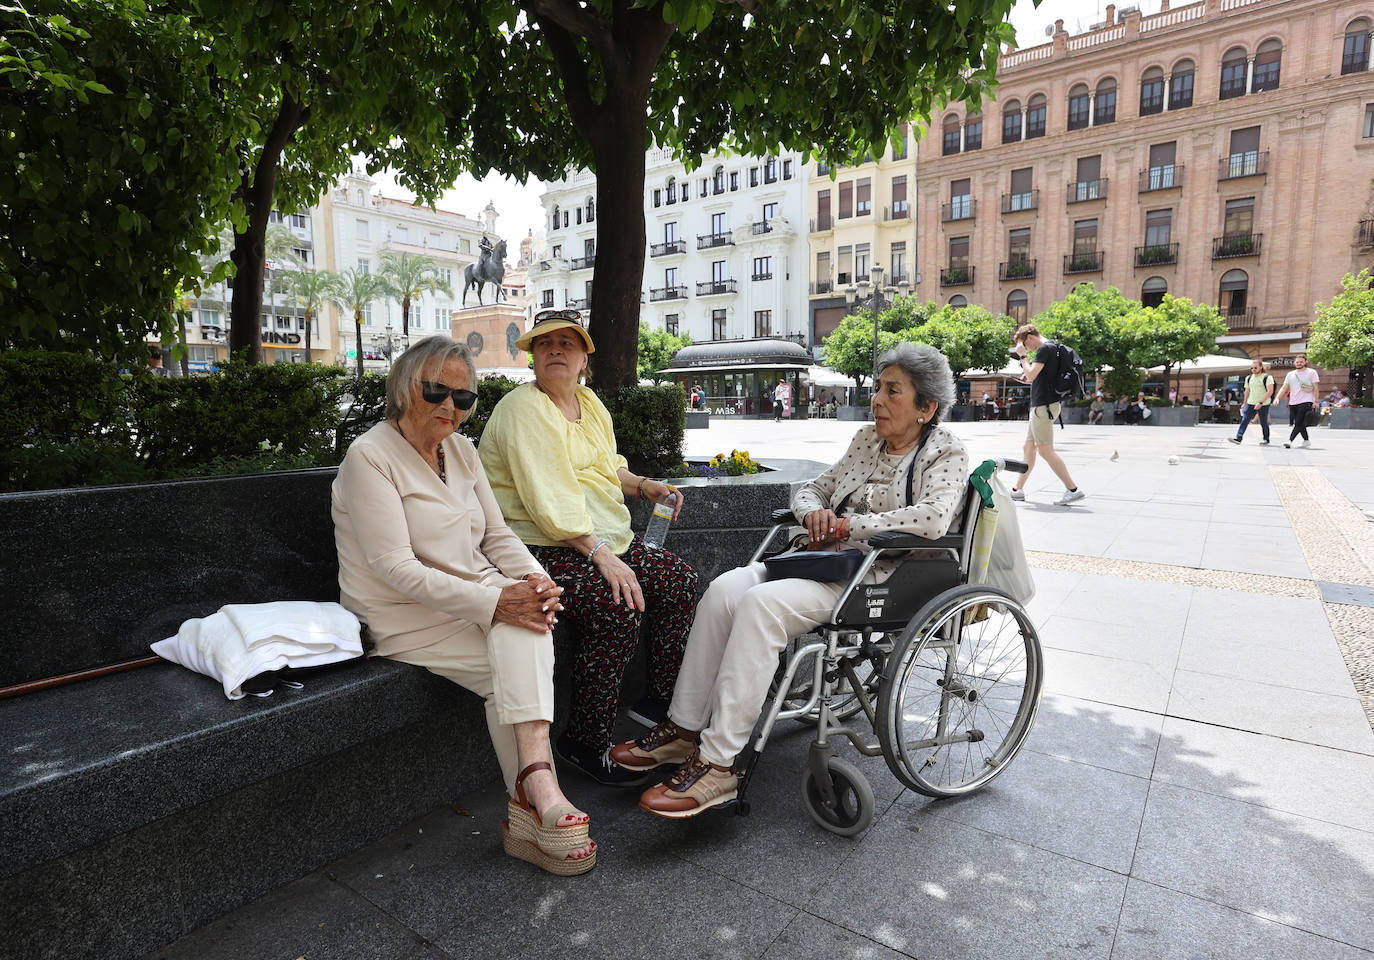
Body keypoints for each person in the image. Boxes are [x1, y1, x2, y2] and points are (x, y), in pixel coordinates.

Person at [609, 343, 969, 817]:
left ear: (927, 408)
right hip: (816, 559)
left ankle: (718, 766)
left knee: (761, 607)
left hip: (874, 578)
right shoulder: (867, 440)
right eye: (879, 387)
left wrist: (847, 527)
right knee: (721, 592)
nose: (877, 399)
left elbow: (932, 520)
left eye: (892, 391)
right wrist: (815, 512)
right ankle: (683, 731)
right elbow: (812, 487)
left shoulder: (945, 452)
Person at [332, 335, 595, 876]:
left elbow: (497, 536)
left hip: (472, 599)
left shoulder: (463, 451)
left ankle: (533, 797)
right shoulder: (370, 456)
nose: (450, 406)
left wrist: (538, 582)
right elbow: (394, 568)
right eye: (437, 391)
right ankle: (538, 793)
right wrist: (499, 601)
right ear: (406, 390)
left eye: (464, 398)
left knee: (526, 635)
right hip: (403, 617)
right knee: (520, 646)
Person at [479, 309, 700, 786]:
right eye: (544, 343)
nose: (555, 350)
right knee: (616, 604)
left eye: (567, 342)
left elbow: (607, 467)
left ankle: (659, 704)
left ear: (583, 359)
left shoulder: (589, 403)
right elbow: (548, 502)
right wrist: (605, 558)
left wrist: (644, 486)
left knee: (679, 581)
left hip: (604, 537)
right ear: (533, 356)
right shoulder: (523, 409)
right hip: (541, 546)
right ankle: (584, 740)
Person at [1008, 324, 1084, 505]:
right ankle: (1017, 490)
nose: (1027, 349)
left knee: (1045, 450)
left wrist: (1023, 357)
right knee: (1028, 448)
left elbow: (1032, 374)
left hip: (1043, 407)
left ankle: (1073, 489)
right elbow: (1038, 377)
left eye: (1025, 345)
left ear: (1030, 337)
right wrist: (1030, 377)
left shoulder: (1044, 349)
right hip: (1045, 406)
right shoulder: (1053, 347)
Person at [1276, 355, 1320, 448]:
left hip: (1306, 400)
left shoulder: (1311, 372)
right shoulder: (1290, 374)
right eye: (1297, 362)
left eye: (1301, 362)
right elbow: (1284, 387)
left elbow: (1316, 387)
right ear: (1294, 363)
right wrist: (1277, 398)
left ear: (1305, 362)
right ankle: (1306, 440)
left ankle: (1289, 440)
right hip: (1293, 401)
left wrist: (1316, 401)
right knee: (1300, 423)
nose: (1299, 363)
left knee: (1298, 422)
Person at [1229, 359, 1274, 445]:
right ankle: (1238, 438)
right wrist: (1244, 403)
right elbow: (1247, 391)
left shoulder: (1267, 377)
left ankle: (1266, 439)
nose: (1253, 369)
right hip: (1250, 403)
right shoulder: (1249, 378)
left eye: (1255, 367)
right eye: (1252, 368)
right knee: (1245, 420)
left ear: (1261, 367)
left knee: (1263, 422)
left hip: (1263, 404)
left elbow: (1270, 391)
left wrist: (1260, 402)